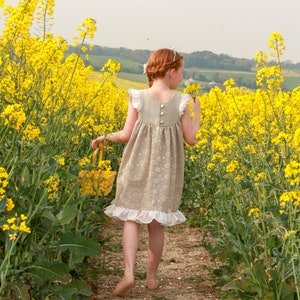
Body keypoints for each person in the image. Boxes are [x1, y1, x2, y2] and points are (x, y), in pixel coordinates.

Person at [91, 48, 200, 297]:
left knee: (131, 218)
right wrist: (198, 114)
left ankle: (128, 273)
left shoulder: (137, 96)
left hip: (135, 164)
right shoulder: (181, 101)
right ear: (172, 72)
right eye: (181, 72)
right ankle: (151, 276)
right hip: (166, 171)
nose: (182, 77)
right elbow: (191, 138)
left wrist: (104, 137)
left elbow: (125, 134)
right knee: (155, 223)